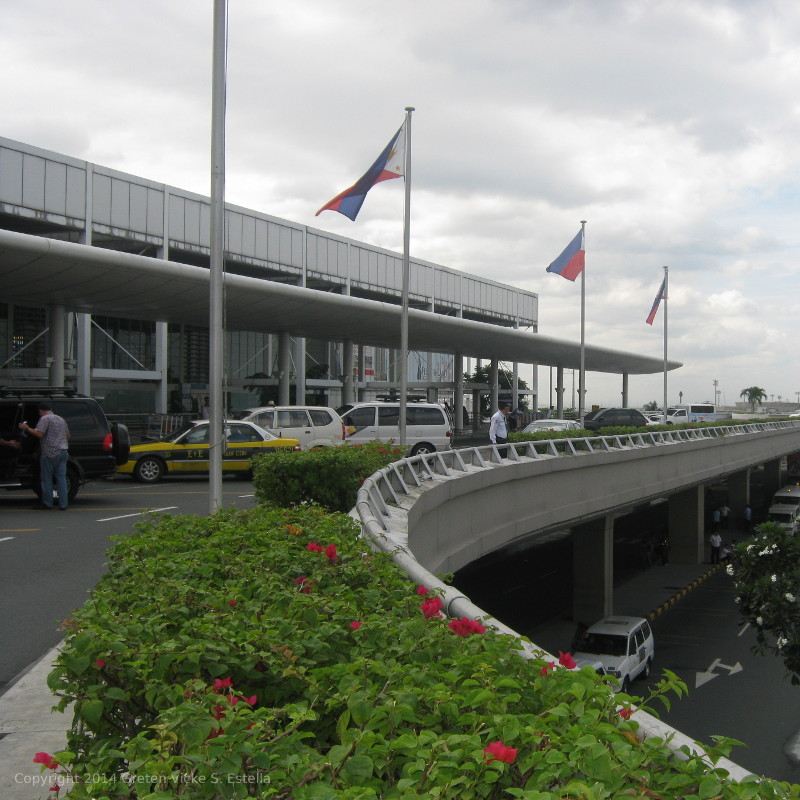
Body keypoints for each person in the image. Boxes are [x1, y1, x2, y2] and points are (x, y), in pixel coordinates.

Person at [19, 402, 70, 510]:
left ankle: (47, 503)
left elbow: (39, 434)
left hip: (49, 452)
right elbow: (68, 435)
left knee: (47, 479)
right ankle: (63, 504)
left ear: (41, 410)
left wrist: (27, 427)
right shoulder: (61, 419)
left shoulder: (45, 419)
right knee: (61, 478)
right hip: (63, 451)